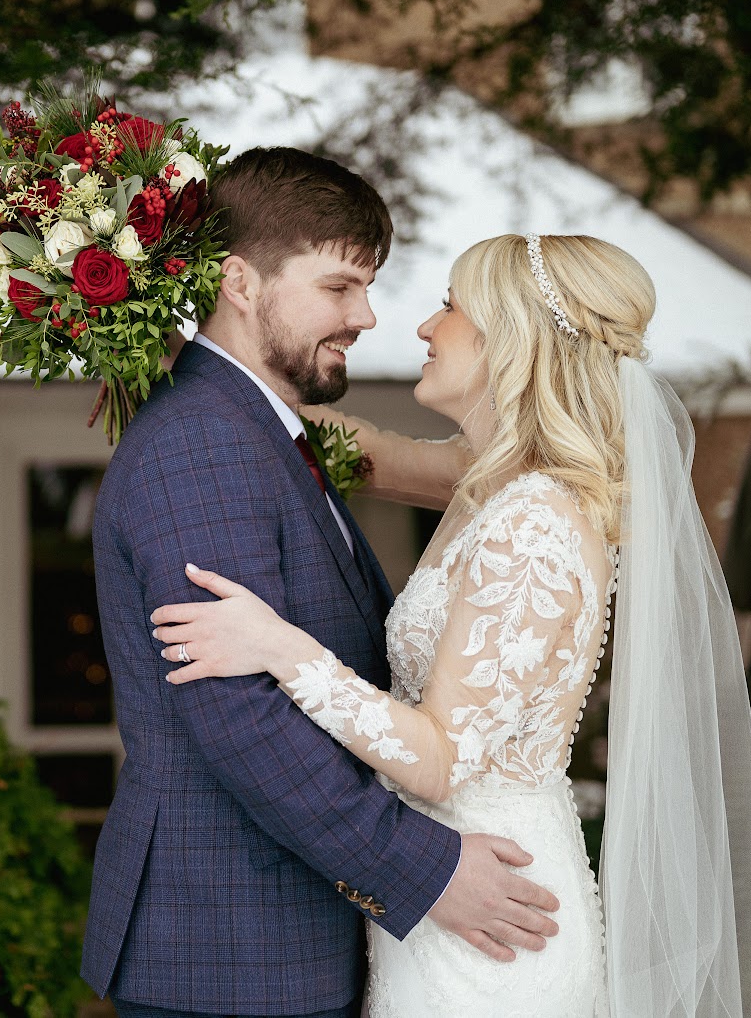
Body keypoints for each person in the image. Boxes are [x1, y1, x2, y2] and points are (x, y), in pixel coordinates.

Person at [151, 233, 751, 1016]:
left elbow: (442, 758)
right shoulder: (499, 480)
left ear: (509, 337)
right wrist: (198, 354)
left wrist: (279, 647)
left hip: (489, 914)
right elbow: (358, 451)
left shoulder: (534, 523)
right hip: (451, 896)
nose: (422, 326)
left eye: (449, 305)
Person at [82, 152, 563, 1018]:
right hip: (233, 951)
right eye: (340, 287)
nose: (367, 316)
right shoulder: (203, 442)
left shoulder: (260, 428)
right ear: (239, 282)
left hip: (276, 938)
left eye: (367, 288)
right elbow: (241, 716)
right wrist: (423, 869)